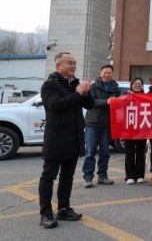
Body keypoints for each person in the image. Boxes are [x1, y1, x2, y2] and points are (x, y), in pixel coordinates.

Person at [38, 52, 94, 228]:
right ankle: (46, 212)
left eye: (75, 63)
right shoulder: (50, 85)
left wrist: (86, 92)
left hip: (74, 137)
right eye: (70, 63)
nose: (73, 66)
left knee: (67, 176)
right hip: (56, 138)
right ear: (58, 66)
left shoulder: (74, 84)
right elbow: (55, 106)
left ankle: (63, 208)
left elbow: (89, 105)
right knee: (49, 176)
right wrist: (78, 93)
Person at [82, 64, 120, 188]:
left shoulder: (116, 88)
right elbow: (91, 103)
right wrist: (107, 102)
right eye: (105, 72)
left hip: (107, 124)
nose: (107, 75)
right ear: (100, 73)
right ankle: (88, 178)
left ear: (112, 74)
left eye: (109, 73)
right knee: (90, 152)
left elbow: (119, 105)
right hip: (92, 124)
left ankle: (102, 176)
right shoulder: (93, 87)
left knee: (105, 152)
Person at [124, 77, 147, 184]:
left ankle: (139, 175)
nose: (137, 85)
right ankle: (129, 176)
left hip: (141, 129)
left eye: (139, 83)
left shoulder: (146, 97)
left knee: (140, 152)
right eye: (135, 83)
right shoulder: (126, 96)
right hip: (129, 129)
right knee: (129, 152)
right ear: (131, 85)